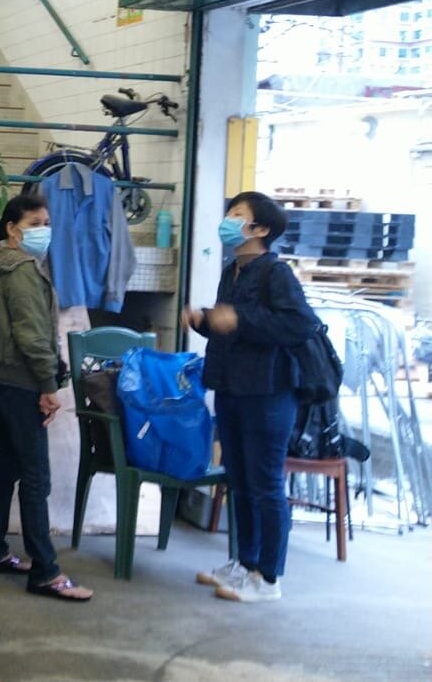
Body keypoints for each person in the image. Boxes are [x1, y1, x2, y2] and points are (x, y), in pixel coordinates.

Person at [184, 191, 315, 604]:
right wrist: (205, 321)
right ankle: (244, 562)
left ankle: (268, 577)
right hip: (232, 388)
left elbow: (300, 324)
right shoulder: (232, 270)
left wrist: (240, 317)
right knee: (239, 481)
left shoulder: (276, 273)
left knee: (265, 484)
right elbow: (232, 329)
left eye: (237, 215)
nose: (228, 220)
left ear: (260, 230)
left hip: (269, 393)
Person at [0, 194, 93, 602]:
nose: (44, 229)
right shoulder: (23, 271)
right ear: (11, 228)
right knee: (36, 476)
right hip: (21, 381)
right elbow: (31, 334)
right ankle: (45, 570)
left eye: (46, 222)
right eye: (35, 222)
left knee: (6, 464)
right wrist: (47, 384)